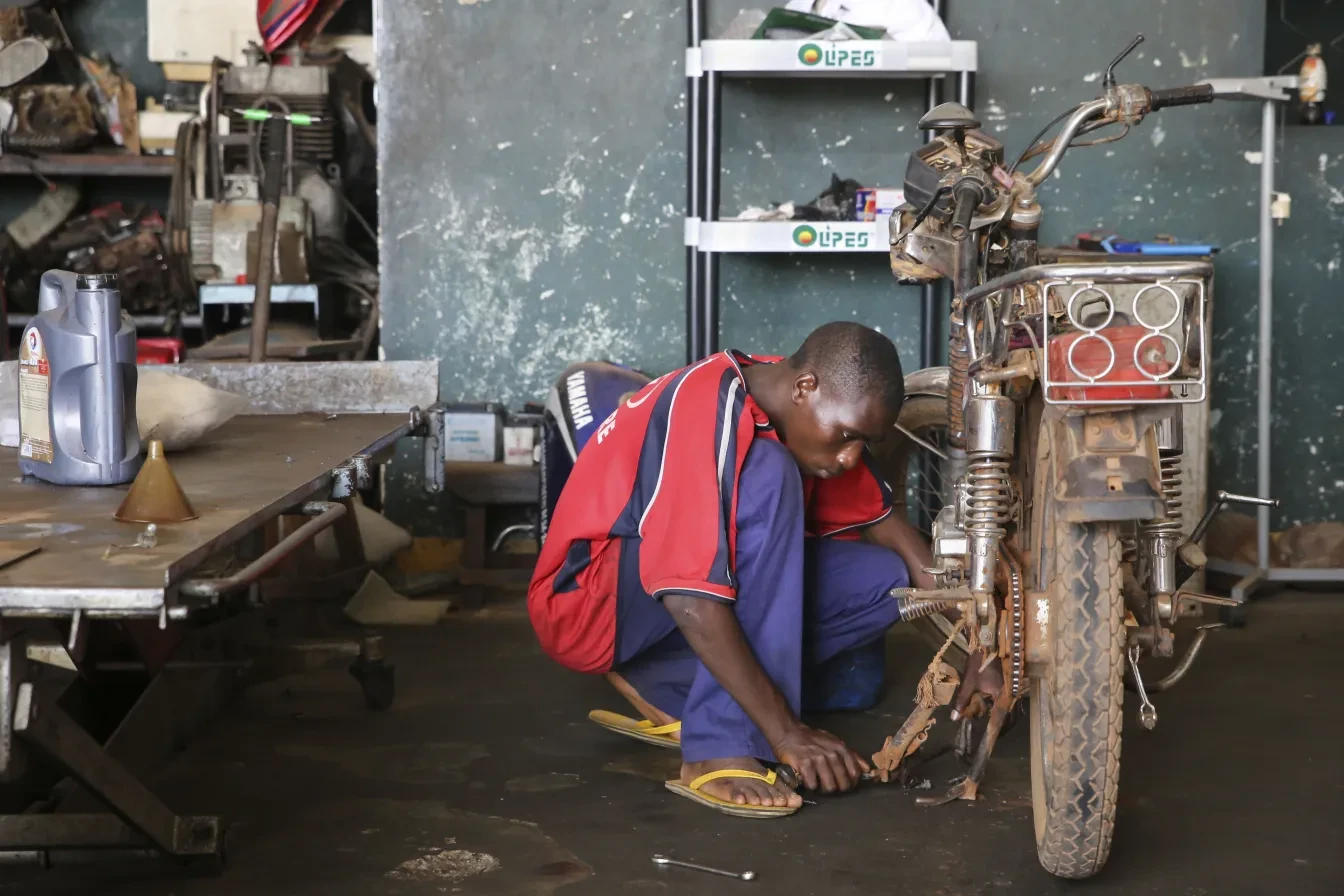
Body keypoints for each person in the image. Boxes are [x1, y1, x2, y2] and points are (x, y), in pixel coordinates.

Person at [527, 322, 947, 817]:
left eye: (864, 443)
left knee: (886, 581)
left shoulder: (794, 398)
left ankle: (666, 685)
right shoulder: (705, 406)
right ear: (804, 388)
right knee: (770, 473)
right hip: (588, 603)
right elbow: (687, 594)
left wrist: (983, 642)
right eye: (848, 435)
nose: (850, 456)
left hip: (654, 603)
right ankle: (716, 750)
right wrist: (787, 732)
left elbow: (887, 525)